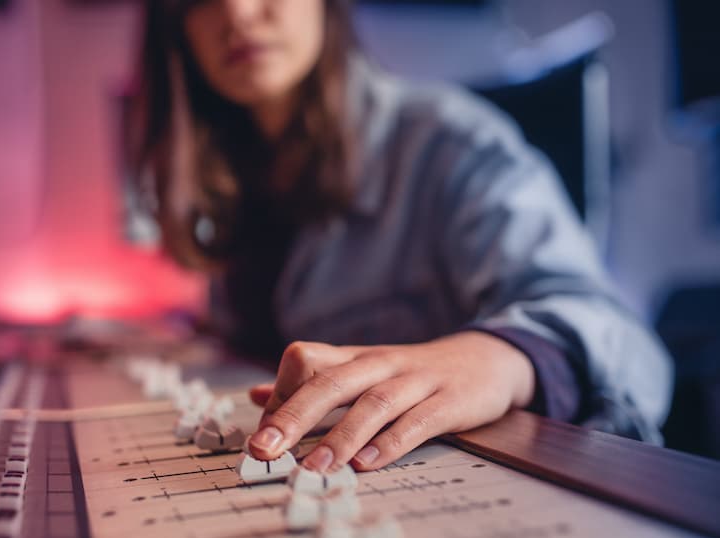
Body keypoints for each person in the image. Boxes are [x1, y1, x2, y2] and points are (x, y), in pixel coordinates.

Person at [129, 0, 672, 474]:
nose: (239, 11)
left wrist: (495, 359)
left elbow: (626, 346)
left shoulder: (448, 142)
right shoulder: (233, 179)